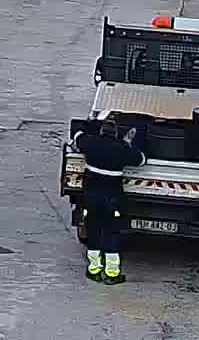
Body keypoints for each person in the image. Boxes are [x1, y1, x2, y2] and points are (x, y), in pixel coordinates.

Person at [72, 120, 144, 283]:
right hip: (112, 200)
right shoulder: (122, 149)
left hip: (91, 198)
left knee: (93, 233)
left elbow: (77, 136)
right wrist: (127, 143)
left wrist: (85, 127)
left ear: (101, 132)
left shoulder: (90, 144)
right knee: (111, 233)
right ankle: (112, 274)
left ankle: (94, 270)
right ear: (116, 134)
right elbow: (141, 159)